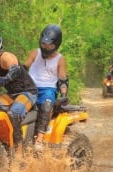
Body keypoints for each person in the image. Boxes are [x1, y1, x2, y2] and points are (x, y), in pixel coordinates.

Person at [23, 24, 68, 152]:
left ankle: (39, 140)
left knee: (47, 105)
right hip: (30, 87)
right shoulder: (35, 53)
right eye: (44, 44)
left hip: (48, 89)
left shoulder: (60, 59)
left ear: (56, 44)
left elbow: (62, 79)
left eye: (50, 45)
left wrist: (64, 95)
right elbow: (25, 66)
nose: (46, 47)